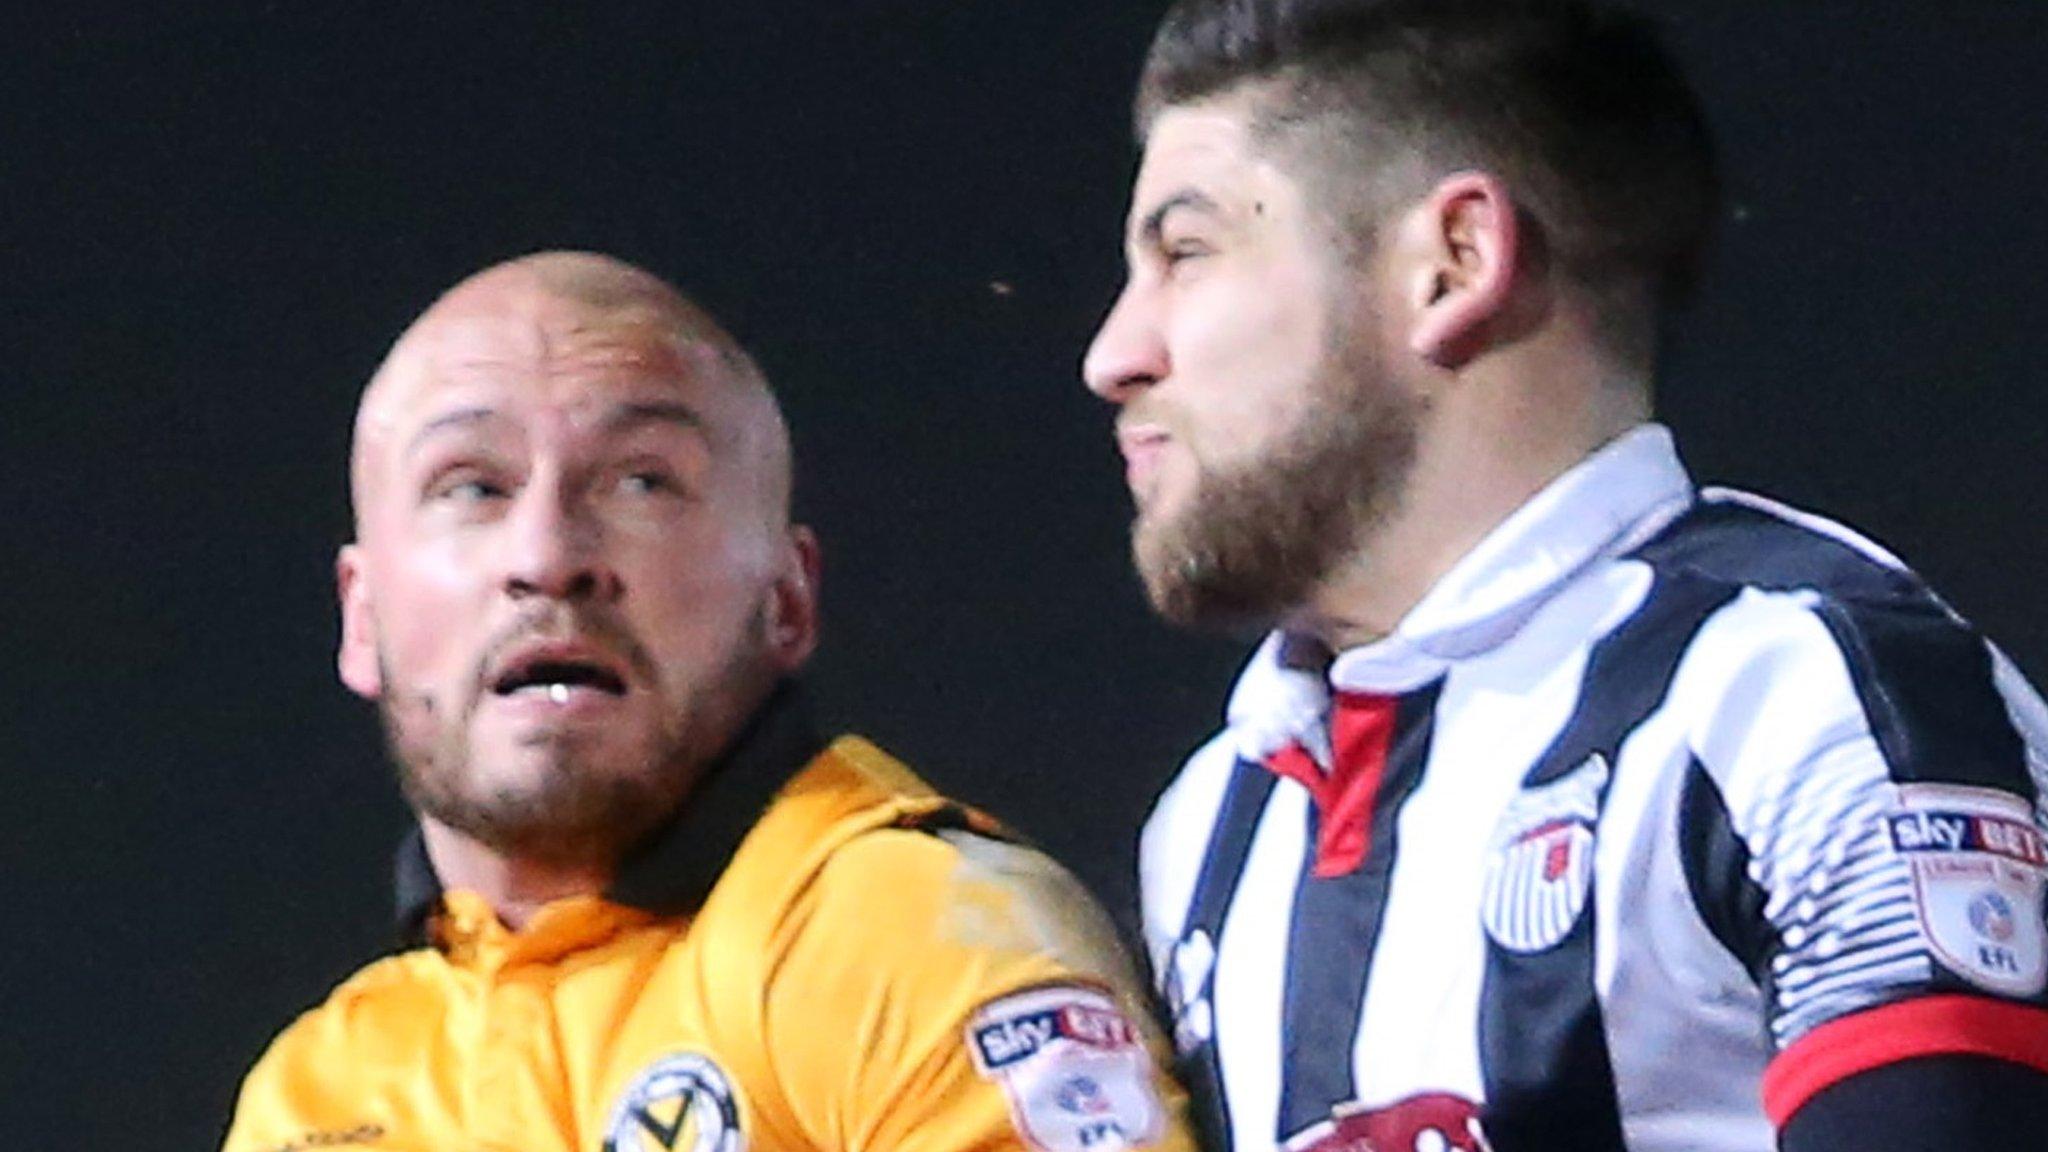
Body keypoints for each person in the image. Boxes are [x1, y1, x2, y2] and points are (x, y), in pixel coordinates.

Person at [1081, 2, 2048, 1150]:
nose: (1113, 354)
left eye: (1183, 254)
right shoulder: (1214, 823)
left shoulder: (1800, 704)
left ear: (1452, 263)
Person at [222, 251, 1195, 1152]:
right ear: (360, 616)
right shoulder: (317, 1095)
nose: (548, 558)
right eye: (472, 486)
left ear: (786, 598)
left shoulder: (898, 934)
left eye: (642, 481)